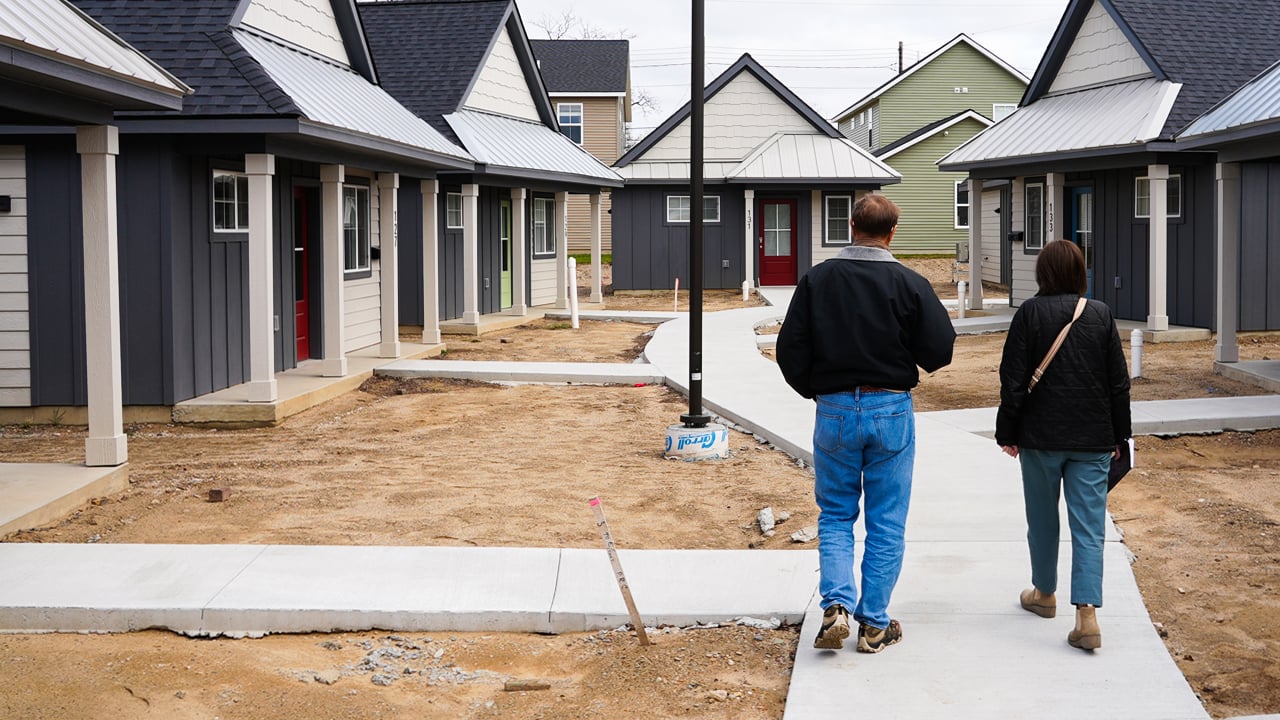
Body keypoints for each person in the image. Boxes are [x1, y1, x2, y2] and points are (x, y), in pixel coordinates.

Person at [777, 194, 955, 652]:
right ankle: (874, 624)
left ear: (851, 224)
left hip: (835, 408)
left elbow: (790, 348)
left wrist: (815, 389)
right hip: (890, 409)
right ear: (893, 233)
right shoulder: (909, 282)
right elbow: (940, 350)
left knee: (836, 513)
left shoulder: (818, 279)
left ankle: (836, 603)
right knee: (886, 520)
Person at [996, 239, 1131, 651]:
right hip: (1092, 439)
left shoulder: (1029, 314)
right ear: (1079, 272)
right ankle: (1087, 616)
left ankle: (1044, 594)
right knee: (1089, 526)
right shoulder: (1101, 314)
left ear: (1042, 273)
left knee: (1042, 518)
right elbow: (1118, 383)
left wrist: (1008, 432)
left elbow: (1013, 379)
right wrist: (1120, 436)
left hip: (1039, 438)